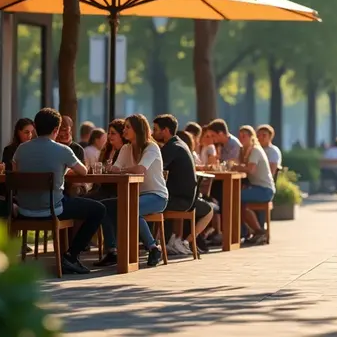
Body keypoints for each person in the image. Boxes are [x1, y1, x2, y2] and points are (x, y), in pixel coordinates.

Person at [11, 108, 105, 275]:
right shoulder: (63, 150)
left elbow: (15, 171)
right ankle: (70, 256)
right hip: (53, 209)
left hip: (24, 209)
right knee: (99, 209)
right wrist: (62, 168)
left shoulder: (21, 150)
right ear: (56, 130)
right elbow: (83, 171)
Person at [96, 114, 169, 268]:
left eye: (128, 127)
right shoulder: (125, 148)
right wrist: (113, 169)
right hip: (135, 196)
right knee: (103, 207)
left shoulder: (151, 147)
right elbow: (115, 168)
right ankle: (112, 251)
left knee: (131, 208)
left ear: (138, 129)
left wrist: (119, 170)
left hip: (157, 196)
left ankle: (153, 248)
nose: (124, 130)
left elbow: (140, 170)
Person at [153, 114, 213, 257]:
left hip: (180, 201)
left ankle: (153, 245)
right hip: (188, 199)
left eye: (155, 129)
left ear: (165, 130)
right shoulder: (179, 143)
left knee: (140, 205)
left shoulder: (171, 147)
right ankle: (180, 242)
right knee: (209, 209)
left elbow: (154, 169)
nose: (152, 133)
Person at [232, 125, 275, 245]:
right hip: (256, 187)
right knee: (236, 198)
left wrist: (235, 166)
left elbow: (251, 170)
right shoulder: (245, 150)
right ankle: (250, 231)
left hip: (265, 190)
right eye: (239, 136)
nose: (241, 138)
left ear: (251, 137)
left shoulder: (255, 150)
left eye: (244, 136)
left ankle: (257, 231)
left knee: (234, 197)